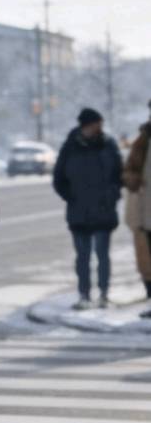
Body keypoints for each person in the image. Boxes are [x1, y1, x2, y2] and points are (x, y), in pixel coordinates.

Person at [53, 108, 123, 309]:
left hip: (104, 210)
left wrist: (111, 196)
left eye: (100, 124)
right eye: (95, 124)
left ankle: (103, 294)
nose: (99, 128)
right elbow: (59, 179)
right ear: (86, 126)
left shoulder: (108, 145)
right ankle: (84, 294)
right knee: (82, 257)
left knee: (103, 255)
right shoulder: (70, 147)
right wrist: (72, 198)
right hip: (79, 212)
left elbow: (118, 175)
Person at [123, 100, 151, 315]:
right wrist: (132, 179)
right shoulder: (144, 139)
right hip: (145, 209)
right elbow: (130, 169)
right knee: (146, 257)